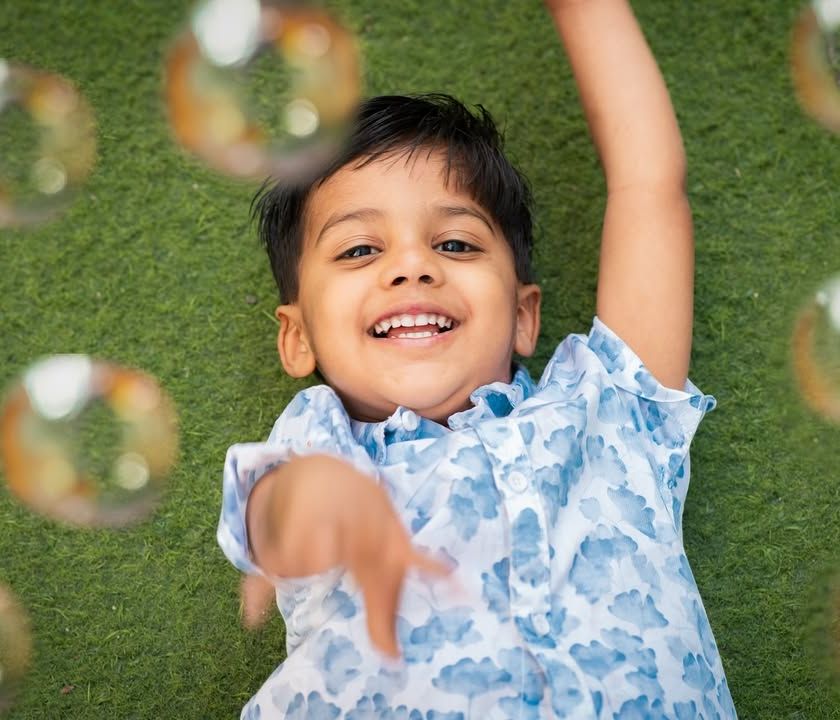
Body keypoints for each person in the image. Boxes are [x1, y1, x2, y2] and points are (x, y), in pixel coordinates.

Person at [217, 0, 738, 717]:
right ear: (298, 336)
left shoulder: (614, 412)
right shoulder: (321, 440)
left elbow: (647, 186)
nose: (412, 266)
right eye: (360, 249)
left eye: (455, 243)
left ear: (524, 315)